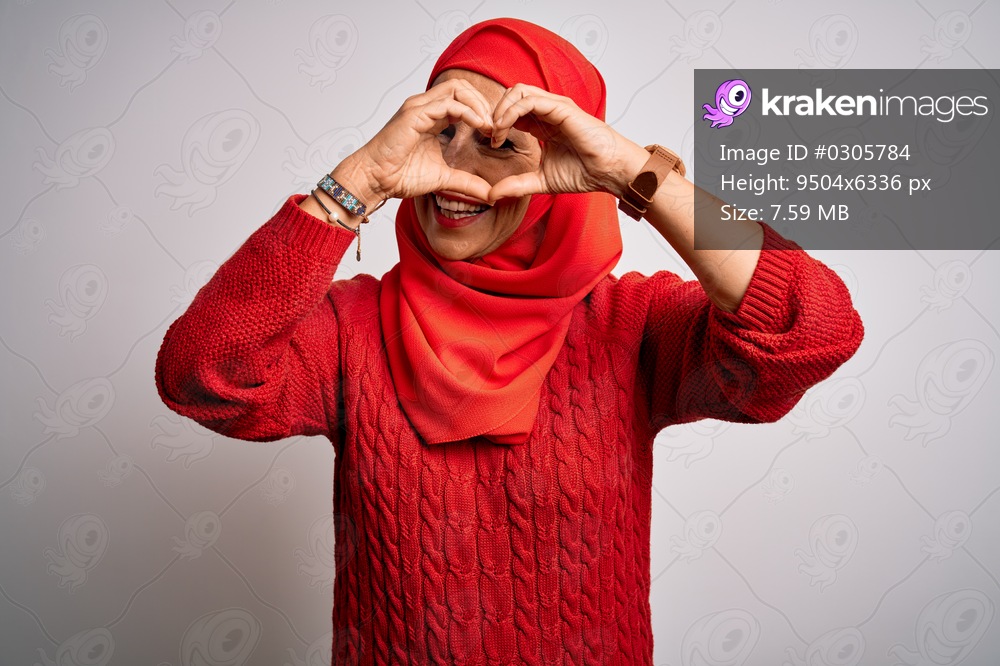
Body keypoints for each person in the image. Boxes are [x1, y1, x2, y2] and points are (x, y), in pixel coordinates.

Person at [155, 17, 863, 665]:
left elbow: (811, 326)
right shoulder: (351, 328)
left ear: (559, 165)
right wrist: (358, 181)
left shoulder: (629, 323)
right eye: (443, 132)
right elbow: (201, 374)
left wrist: (632, 173)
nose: (457, 173)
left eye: (499, 145)